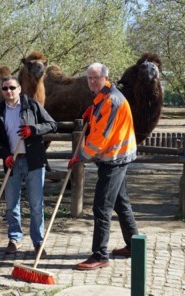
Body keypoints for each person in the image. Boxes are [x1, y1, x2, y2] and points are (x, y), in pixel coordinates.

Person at [69, 63, 139, 270]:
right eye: (89, 78)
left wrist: (79, 157)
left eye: (95, 78)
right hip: (115, 157)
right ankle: (135, 245)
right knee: (120, 202)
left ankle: (100, 255)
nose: (92, 81)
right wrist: (92, 112)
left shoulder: (112, 101)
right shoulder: (103, 98)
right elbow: (100, 124)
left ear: (105, 77)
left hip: (115, 159)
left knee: (101, 207)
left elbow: (101, 138)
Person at [0, 76, 57, 257]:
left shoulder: (32, 105)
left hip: (33, 161)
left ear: (19, 89)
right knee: (12, 204)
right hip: (12, 162)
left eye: (12, 87)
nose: (9, 91)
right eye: (5, 88)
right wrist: (4, 155)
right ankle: (15, 238)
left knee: (36, 204)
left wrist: (33, 130)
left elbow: (52, 124)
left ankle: (38, 241)